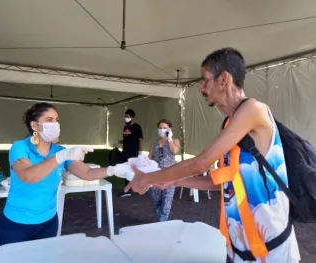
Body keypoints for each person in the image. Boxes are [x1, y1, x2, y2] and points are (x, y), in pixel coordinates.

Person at [125, 48, 300, 262]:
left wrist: (147, 178)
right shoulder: (229, 124)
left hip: (271, 251)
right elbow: (225, 182)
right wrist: (176, 182)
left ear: (223, 79)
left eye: (205, 80)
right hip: (239, 248)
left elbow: (201, 163)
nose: (202, 87)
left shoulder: (254, 110)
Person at [0, 102, 119, 251]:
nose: (55, 124)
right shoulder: (20, 147)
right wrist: (60, 157)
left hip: (48, 221)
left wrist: (115, 170)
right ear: (35, 126)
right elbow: (28, 176)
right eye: (49, 120)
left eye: (57, 120)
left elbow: (87, 173)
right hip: (16, 223)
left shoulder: (60, 150)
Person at [148, 119, 180, 221]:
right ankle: (160, 220)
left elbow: (174, 151)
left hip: (169, 176)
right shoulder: (154, 142)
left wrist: (169, 139)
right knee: (156, 201)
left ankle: (162, 223)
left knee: (166, 202)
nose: (162, 130)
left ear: (169, 129)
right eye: (160, 128)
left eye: (164, 128)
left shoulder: (175, 141)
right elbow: (150, 157)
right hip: (155, 175)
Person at [117, 109, 143, 197]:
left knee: (133, 170)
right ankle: (128, 189)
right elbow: (126, 139)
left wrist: (140, 151)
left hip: (133, 152)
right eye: (125, 116)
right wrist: (118, 142)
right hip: (125, 152)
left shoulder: (137, 127)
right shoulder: (125, 128)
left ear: (132, 117)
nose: (126, 118)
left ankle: (134, 189)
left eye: (127, 116)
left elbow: (140, 140)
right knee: (126, 170)